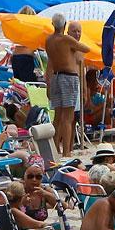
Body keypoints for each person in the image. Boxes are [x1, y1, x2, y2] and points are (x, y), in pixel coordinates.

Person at [43, 17, 88, 148]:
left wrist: (84, 90)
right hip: (68, 79)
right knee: (66, 118)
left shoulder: (51, 41)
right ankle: (63, 151)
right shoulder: (65, 42)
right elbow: (50, 67)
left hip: (66, 80)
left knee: (68, 118)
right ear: (67, 30)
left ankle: (64, 147)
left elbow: (82, 72)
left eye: (79, 31)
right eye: (74, 31)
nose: (77, 34)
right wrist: (48, 84)